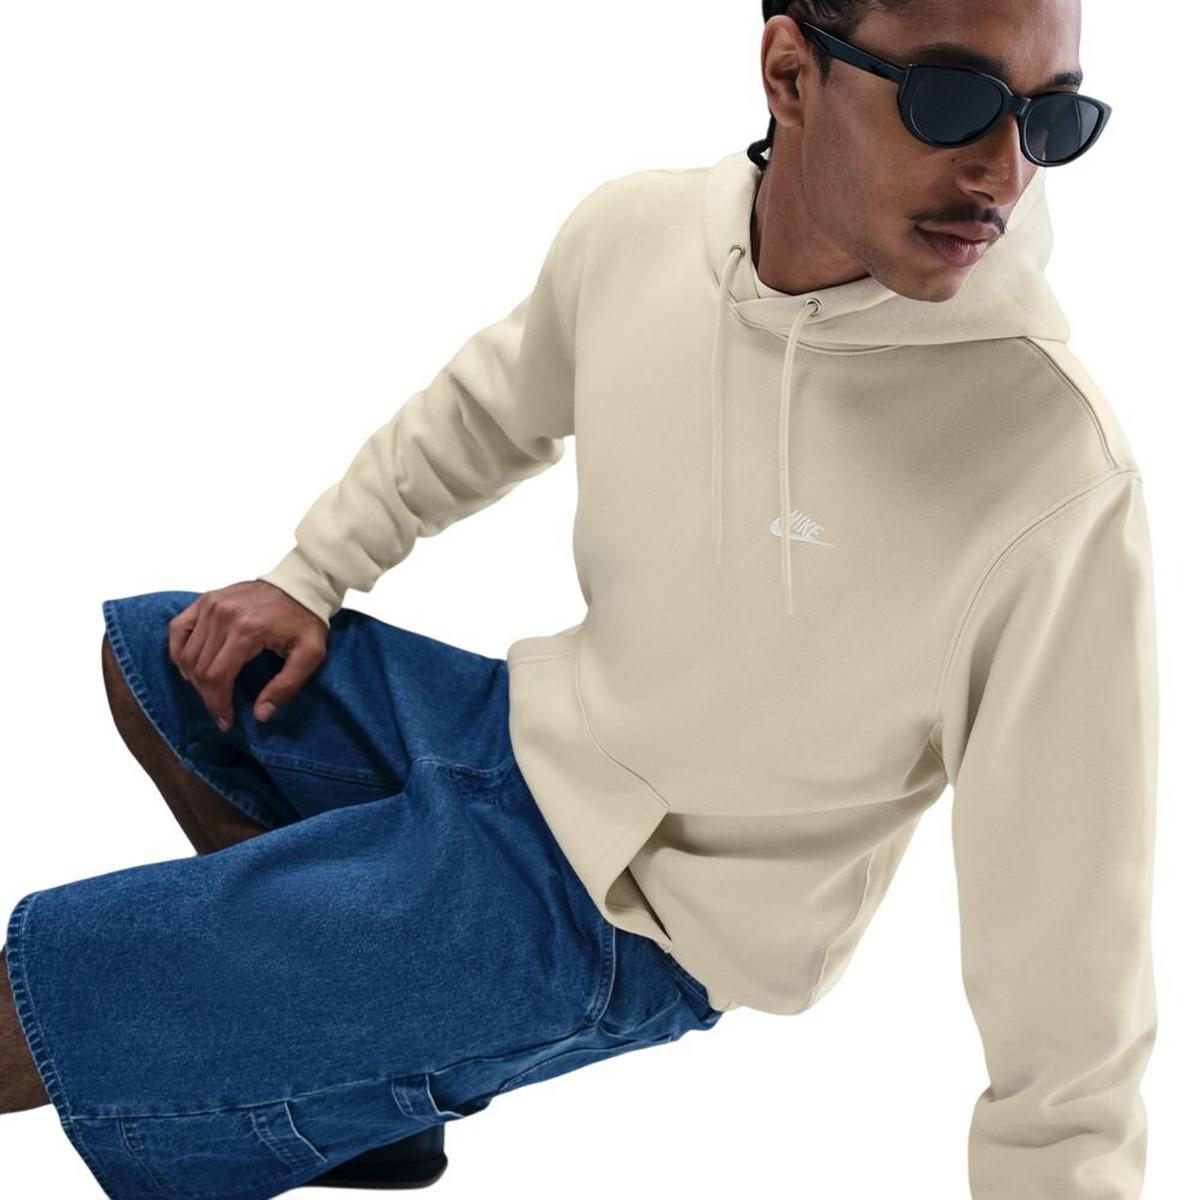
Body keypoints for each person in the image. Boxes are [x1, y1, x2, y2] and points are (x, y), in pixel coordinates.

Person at [2, 3, 1157, 1198]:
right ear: (789, 74)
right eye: (953, 100)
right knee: (170, 659)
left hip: (644, 916)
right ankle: (365, 1098)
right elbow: (491, 405)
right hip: (528, 737)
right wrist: (311, 573)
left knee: (48, 1002)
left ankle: (340, 1036)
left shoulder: (1046, 468)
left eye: (1053, 119)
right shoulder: (638, 232)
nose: (1003, 170)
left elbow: (1070, 912)